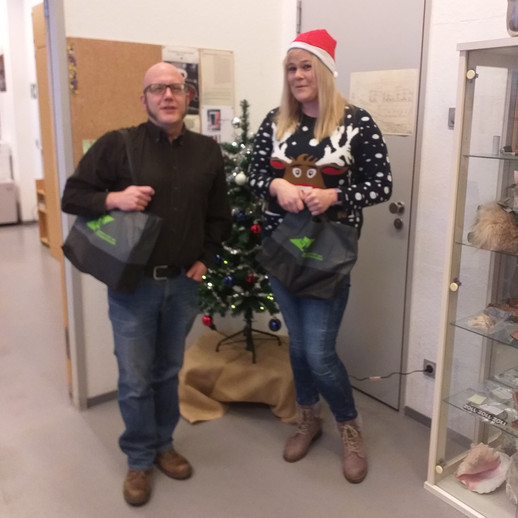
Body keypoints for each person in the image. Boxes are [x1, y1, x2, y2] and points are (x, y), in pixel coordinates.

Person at [61, 62, 232, 506]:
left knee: (167, 371)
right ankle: (139, 459)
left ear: (188, 96)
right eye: (157, 89)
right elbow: (71, 197)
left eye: (175, 87)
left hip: (183, 285)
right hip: (133, 287)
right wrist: (113, 198)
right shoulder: (118, 145)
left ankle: (163, 445)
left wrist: (206, 258)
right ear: (144, 99)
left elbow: (219, 215)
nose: (167, 95)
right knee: (135, 377)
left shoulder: (207, 152)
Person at [248, 29, 392, 484]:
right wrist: (277, 185)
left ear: (325, 70)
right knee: (298, 344)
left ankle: (349, 425)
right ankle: (307, 418)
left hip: (328, 254)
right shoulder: (276, 121)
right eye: (291, 68)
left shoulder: (356, 123)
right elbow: (253, 172)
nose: (297, 75)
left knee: (319, 352)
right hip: (282, 251)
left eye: (306, 66)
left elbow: (381, 185)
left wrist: (334, 196)